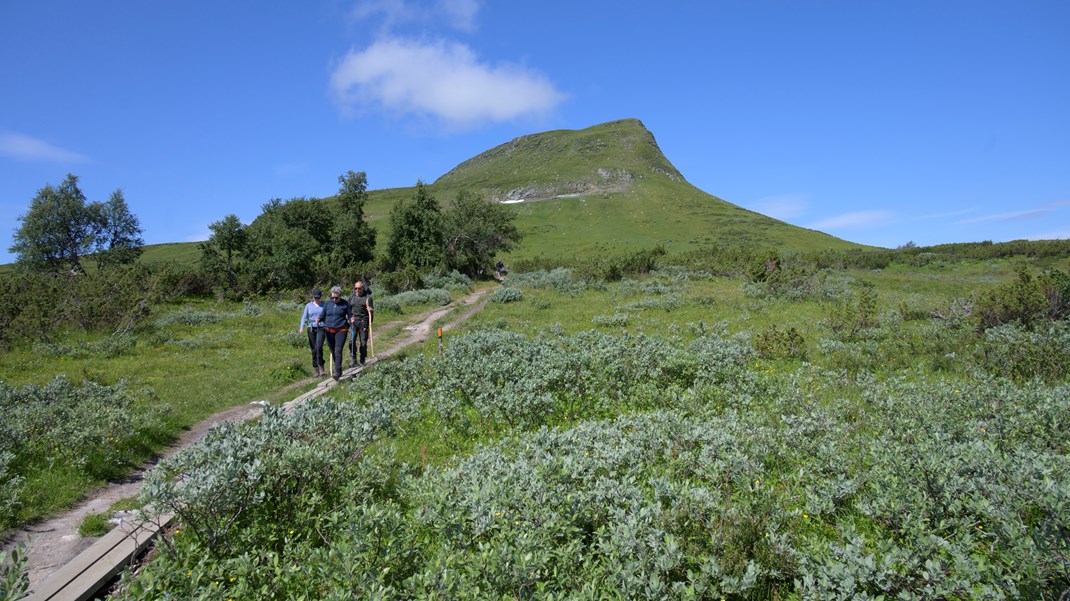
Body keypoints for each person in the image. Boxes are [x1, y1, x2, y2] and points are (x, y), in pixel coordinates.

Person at [322, 285, 352, 380]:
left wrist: (352, 320)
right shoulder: (327, 304)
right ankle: (339, 369)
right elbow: (323, 315)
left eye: (336, 297)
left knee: (338, 350)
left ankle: (337, 372)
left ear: (340, 296)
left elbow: (350, 315)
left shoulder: (345, 304)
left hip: (341, 329)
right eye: (332, 297)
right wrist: (318, 319)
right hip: (329, 330)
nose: (334, 299)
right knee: (333, 350)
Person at [298, 288, 327, 376]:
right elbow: (304, 317)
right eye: (315, 297)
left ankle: (321, 366)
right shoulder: (308, 306)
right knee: (314, 349)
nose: (316, 299)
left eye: (318, 297)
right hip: (311, 328)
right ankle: (315, 368)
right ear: (313, 297)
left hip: (321, 327)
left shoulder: (324, 305)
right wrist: (301, 327)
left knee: (319, 347)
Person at [349, 279, 374, 366]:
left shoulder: (368, 298)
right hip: (353, 322)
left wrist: (370, 312)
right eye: (356, 288)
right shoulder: (352, 297)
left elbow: (371, 310)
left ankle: (362, 358)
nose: (357, 290)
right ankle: (353, 358)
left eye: (359, 288)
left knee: (363, 342)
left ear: (362, 288)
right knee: (351, 340)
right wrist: (349, 317)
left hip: (363, 322)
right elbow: (348, 308)